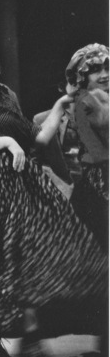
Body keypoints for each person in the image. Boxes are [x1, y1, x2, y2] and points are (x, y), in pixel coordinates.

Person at [0, 43, 108, 357]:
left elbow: (37, 137)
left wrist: (61, 105)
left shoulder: (7, 96)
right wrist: (7, 142)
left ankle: (30, 334)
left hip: (15, 187)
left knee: (30, 256)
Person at [64, 43, 108, 253]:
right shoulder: (85, 103)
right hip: (99, 182)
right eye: (96, 70)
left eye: (107, 68)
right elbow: (97, 152)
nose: (105, 75)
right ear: (82, 76)